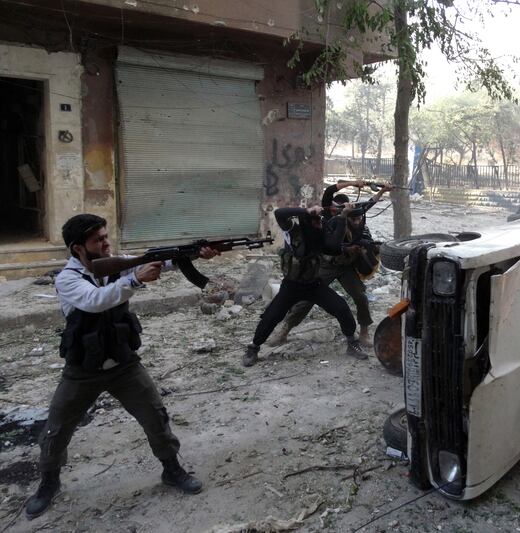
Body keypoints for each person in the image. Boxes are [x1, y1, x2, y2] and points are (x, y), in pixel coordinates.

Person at [25, 214, 219, 520]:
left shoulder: (115, 263)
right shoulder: (67, 279)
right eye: (98, 240)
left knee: (155, 416)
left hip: (123, 362)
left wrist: (193, 254)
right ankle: (49, 483)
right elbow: (96, 300)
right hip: (83, 370)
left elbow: (161, 262)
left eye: (105, 236)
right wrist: (136, 279)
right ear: (78, 248)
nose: (106, 243)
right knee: (57, 429)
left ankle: (171, 469)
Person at [268, 180, 393, 347]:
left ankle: (364, 331)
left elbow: (369, 203)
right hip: (326, 266)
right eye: (335, 206)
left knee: (360, 297)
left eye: (341, 208)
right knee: (307, 299)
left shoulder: (351, 214)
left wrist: (382, 191)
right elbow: (329, 192)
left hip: (346, 266)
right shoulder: (327, 216)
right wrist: (354, 183)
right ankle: (285, 329)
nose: (337, 209)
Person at [242, 203, 367, 367]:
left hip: (314, 285)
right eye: (315, 221)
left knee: (341, 308)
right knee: (271, 316)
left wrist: (343, 216)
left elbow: (334, 246)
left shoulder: (320, 235)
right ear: (307, 221)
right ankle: (253, 348)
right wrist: (306, 211)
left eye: (319, 220)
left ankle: (352, 343)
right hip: (291, 286)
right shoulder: (292, 231)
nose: (319, 223)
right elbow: (280, 213)